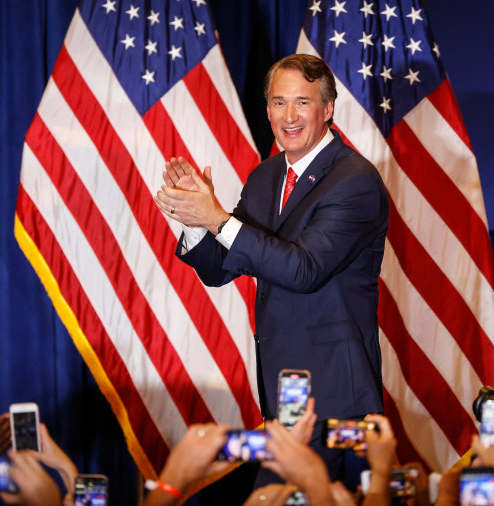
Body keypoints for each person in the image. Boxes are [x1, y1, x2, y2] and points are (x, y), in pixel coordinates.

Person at [155, 53, 389, 480]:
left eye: (302, 102)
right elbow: (220, 268)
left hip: (335, 399)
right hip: (285, 397)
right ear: (267, 110)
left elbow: (303, 269)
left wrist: (216, 218)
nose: (289, 115)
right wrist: (195, 221)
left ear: (328, 109)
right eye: (279, 103)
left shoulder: (354, 181)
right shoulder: (265, 177)